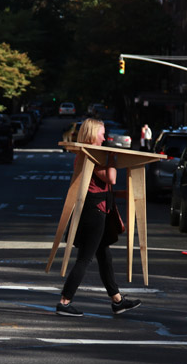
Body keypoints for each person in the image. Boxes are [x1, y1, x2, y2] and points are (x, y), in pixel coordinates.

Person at [56, 118, 141, 317]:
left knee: (104, 257)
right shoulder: (91, 154)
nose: (104, 138)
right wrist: (112, 158)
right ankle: (64, 302)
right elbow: (111, 178)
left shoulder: (89, 153)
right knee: (85, 258)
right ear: (92, 134)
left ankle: (117, 301)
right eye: (102, 134)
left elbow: (105, 183)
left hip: (95, 209)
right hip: (93, 211)